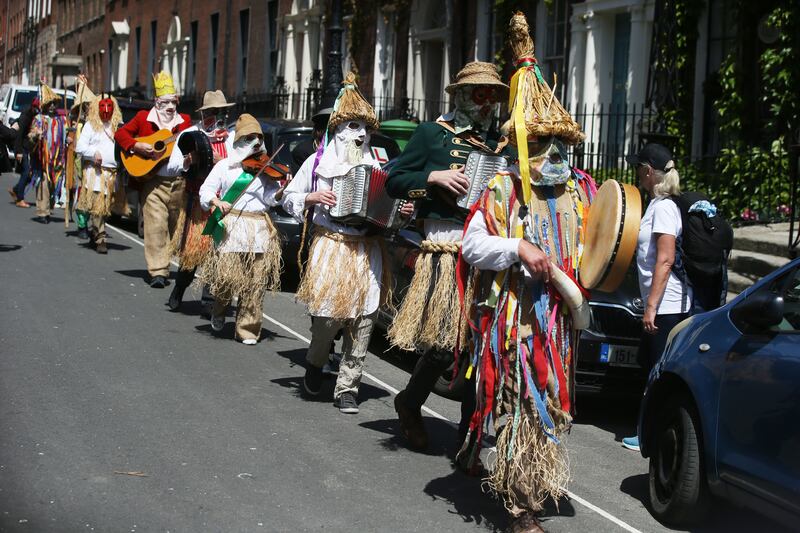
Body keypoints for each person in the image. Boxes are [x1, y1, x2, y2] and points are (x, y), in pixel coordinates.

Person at [459, 13, 595, 532]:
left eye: (558, 143)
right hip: (515, 322)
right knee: (520, 409)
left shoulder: (582, 193)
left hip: (558, 325)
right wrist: (517, 247)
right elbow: (473, 245)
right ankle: (522, 508)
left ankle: (528, 488)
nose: (553, 154)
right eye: (541, 144)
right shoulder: (504, 189)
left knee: (550, 410)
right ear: (524, 144)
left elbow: (599, 248)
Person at [385, 60, 511, 456]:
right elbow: (393, 181)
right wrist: (431, 179)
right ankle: (409, 402)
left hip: (487, 252)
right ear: (459, 96)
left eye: (493, 94)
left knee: (480, 348)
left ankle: (467, 437)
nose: (488, 101)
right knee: (443, 346)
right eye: (480, 93)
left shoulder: (502, 146)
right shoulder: (432, 135)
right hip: (446, 248)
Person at [282, 72, 407, 414]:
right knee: (326, 317)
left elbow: (392, 216)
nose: (362, 134)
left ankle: (348, 386)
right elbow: (289, 198)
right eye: (353, 126)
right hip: (331, 243)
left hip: (367, 249)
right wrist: (311, 196)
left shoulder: (378, 167)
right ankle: (315, 361)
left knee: (364, 319)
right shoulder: (318, 162)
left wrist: (404, 210)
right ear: (338, 129)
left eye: (366, 128)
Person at [621, 143, 691, 453]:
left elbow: (665, 259)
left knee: (659, 372)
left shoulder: (663, 208)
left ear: (649, 171)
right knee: (651, 366)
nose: (636, 171)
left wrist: (651, 307)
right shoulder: (657, 204)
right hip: (664, 304)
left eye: (639, 167)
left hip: (668, 306)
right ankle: (647, 430)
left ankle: (650, 435)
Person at [197, 114, 282, 345]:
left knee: (255, 281)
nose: (255, 142)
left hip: (258, 227)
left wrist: (280, 192)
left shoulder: (265, 168)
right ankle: (219, 308)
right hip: (232, 226)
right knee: (226, 279)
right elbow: (205, 191)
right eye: (249, 137)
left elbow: (270, 197)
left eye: (259, 137)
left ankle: (248, 329)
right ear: (238, 141)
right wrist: (216, 202)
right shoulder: (225, 166)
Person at [114, 71, 192, 288]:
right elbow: (120, 135)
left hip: (180, 183)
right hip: (153, 182)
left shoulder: (184, 121)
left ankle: (180, 265)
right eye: (165, 102)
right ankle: (158, 271)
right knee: (155, 226)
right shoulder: (142, 118)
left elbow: (194, 142)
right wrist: (137, 145)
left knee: (177, 227)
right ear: (157, 102)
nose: (170, 107)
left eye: (173, 102)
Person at [166, 90, 235, 312]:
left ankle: (209, 300)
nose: (217, 116)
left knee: (216, 252)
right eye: (213, 111)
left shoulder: (232, 137)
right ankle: (179, 287)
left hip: (221, 204)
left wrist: (221, 161)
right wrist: (189, 161)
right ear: (205, 113)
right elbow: (172, 166)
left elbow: (239, 166)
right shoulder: (190, 134)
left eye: (221, 111)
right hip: (196, 202)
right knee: (192, 252)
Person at [74, 94, 125, 254]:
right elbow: (80, 147)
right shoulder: (90, 126)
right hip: (95, 174)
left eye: (109, 106)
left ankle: (95, 232)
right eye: (103, 106)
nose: (106, 110)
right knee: (98, 207)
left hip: (112, 176)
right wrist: (93, 152)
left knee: (105, 209)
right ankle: (101, 238)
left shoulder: (118, 126)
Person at [32, 85, 65, 224]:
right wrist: (36, 135)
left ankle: (48, 207)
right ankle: (42, 212)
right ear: (45, 105)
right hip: (43, 158)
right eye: (49, 103)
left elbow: (64, 138)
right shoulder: (39, 119)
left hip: (57, 159)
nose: (52, 106)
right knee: (43, 184)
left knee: (54, 185)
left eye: (54, 103)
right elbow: (32, 134)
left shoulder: (61, 120)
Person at [8, 97, 40, 208]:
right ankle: (20, 199)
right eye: (36, 107)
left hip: (27, 147)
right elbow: (19, 135)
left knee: (29, 174)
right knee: (26, 172)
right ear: (33, 106)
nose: (37, 110)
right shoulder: (25, 116)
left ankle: (15, 190)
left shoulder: (33, 116)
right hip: (21, 148)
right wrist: (19, 152)